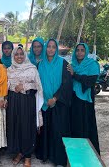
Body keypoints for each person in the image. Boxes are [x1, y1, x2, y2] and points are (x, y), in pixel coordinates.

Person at [36, 39, 73, 167]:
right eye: (48, 47)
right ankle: (46, 155)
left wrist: (55, 98)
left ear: (56, 49)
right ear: (45, 48)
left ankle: (58, 159)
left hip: (58, 104)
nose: (51, 49)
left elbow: (67, 83)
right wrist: (45, 100)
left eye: (53, 47)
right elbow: (37, 83)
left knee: (58, 131)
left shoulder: (63, 63)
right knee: (46, 130)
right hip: (44, 104)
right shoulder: (40, 64)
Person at [6, 47, 43, 167]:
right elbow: (7, 85)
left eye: (22, 54)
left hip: (27, 101)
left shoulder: (32, 68)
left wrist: (24, 86)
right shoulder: (9, 70)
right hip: (14, 102)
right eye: (16, 54)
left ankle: (28, 156)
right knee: (17, 127)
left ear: (25, 55)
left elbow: (38, 86)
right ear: (13, 56)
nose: (19, 56)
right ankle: (20, 152)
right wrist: (14, 88)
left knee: (27, 127)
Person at [68, 43, 100, 154]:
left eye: (82, 50)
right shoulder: (72, 65)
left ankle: (89, 153)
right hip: (74, 101)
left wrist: (74, 74)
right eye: (77, 50)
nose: (79, 52)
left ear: (86, 52)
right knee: (75, 126)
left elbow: (89, 82)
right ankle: (77, 153)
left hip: (86, 102)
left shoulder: (92, 65)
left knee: (86, 126)